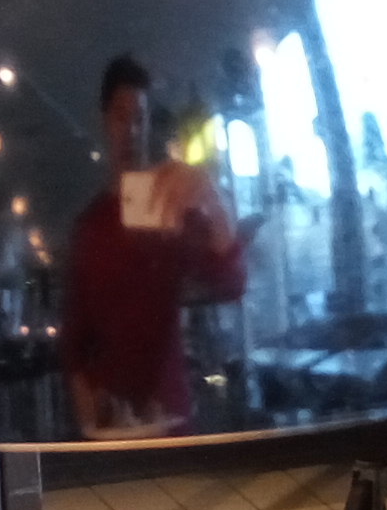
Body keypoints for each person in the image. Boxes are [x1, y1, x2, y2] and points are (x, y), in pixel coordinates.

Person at [62, 52, 250, 436]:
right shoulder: (89, 227)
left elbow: (231, 285)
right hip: (111, 422)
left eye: (140, 117)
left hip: (170, 411)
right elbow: (73, 341)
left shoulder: (173, 204)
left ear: (149, 125)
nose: (131, 129)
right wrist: (88, 413)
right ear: (104, 121)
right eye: (120, 115)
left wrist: (213, 204)